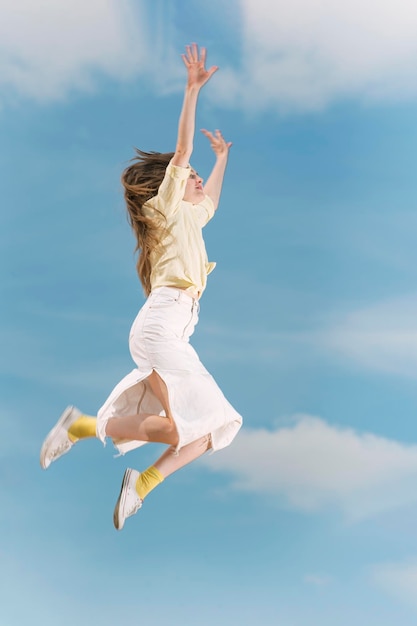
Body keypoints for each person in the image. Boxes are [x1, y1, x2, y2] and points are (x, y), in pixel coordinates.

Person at [40, 43, 243, 530]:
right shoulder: (164, 208)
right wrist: (191, 92)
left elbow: (210, 200)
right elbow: (183, 153)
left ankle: (126, 468)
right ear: (169, 185)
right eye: (188, 176)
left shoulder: (189, 219)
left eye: (194, 178)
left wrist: (222, 161)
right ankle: (86, 429)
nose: (194, 180)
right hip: (161, 325)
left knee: (211, 427)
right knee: (195, 422)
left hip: (175, 330)